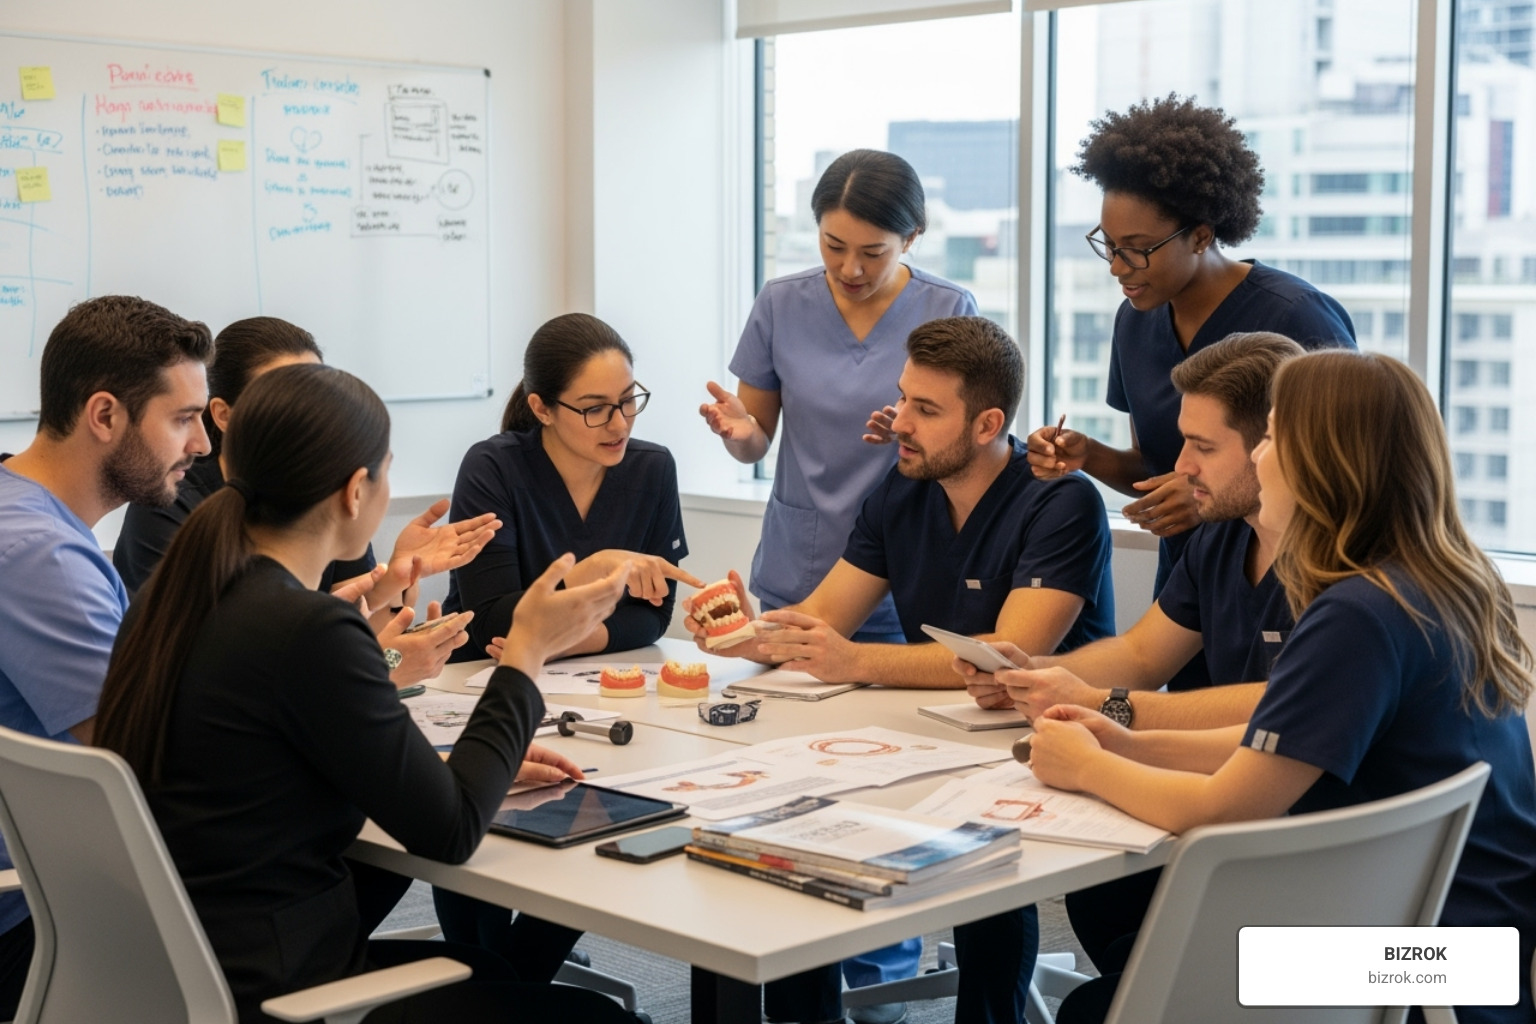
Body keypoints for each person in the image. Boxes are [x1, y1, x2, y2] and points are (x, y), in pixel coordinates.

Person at [93, 362, 639, 1024]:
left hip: (181, 973)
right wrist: (527, 650)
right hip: (279, 991)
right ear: (356, 491)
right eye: (387, 472)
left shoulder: (178, 593)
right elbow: (452, 831)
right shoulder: (306, 627)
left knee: (491, 971)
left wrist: (456, 767)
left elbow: (265, 762)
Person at [1027, 350, 1536, 1024]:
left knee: (1110, 1000)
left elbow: (1222, 808)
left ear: (1322, 463)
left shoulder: (1357, 614)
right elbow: (1283, 747)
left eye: (1271, 438)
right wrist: (1127, 743)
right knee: (1139, 954)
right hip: (1472, 951)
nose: (1260, 456)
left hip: (1412, 965)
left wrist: (1089, 766)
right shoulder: (1434, 581)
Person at [692, 316, 1115, 1024]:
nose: (899, 424)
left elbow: (1010, 651)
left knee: (984, 853)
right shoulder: (900, 491)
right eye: (903, 399)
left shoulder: (1059, 502)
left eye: (926, 409)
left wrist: (852, 660)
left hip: (1043, 738)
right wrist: (749, 633)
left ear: (986, 424)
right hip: (938, 728)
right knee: (802, 812)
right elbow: (825, 619)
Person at [701, 149, 977, 1012]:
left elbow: (964, 438)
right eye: (832, 247)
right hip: (798, 561)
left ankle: (882, 968)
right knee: (785, 773)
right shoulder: (783, 303)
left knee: (887, 780)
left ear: (913, 239)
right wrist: (738, 433)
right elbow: (756, 439)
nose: (850, 270)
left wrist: (911, 428)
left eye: (872, 252)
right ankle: (787, 940)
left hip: (900, 577)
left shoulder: (947, 310)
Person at [962, 331, 1303, 978]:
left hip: (1415, 956)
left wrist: (1104, 720)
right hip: (1339, 880)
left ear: (1278, 447)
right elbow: (1146, 654)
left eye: (1202, 448)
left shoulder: (1362, 590)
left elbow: (1275, 720)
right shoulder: (1225, 538)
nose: (1184, 468)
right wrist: (1032, 675)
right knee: (1109, 900)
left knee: (1104, 1003)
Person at [1027, 95, 1355, 686]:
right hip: (1194, 581)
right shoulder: (1136, 320)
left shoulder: (1296, 319)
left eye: (1137, 248)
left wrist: (1200, 496)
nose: (1117, 266)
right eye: (1107, 243)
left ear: (1201, 235)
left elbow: (1344, 480)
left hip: (1293, 580)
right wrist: (1090, 457)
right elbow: (1163, 468)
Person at [438, 312, 703, 962]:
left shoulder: (651, 469)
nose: (619, 424)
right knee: (476, 824)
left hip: (591, 693)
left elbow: (650, 617)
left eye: (628, 401)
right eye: (594, 409)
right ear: (542, 407)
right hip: (477, 686)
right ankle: (500, 980)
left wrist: (551, 638)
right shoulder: (492, 468)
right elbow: (493, 618)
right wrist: (598, 570)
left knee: (613, 819)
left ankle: (507, 983)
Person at [0, 295, 212, 1017]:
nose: (203, 447)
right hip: (41, 926)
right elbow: (134, 757)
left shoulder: (21, 510)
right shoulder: (41, 555)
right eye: (183, 419)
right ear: (104, 416)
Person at [114, 316, 493, 686]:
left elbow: (344, 640)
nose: (314, 413)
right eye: (288, 396)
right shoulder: (172, 500)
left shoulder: (326, 496)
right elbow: (249, 673)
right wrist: (385, 668)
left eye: (319, 392)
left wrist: (392, 581)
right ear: (225, 414)